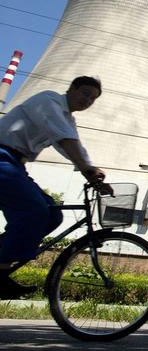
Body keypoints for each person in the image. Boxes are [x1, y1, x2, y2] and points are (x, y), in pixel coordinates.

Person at [0, 76, 105, 299]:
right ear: (71, 89)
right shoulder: (49, 101)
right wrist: (87, 169)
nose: (88, 100)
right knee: (34, 211)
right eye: (85, 93)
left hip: (16, 164)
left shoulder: (68, 120)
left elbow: (73, 146)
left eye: (93, 99)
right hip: (2, 157)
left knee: (52, 213)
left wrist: (93, 172)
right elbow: (65, 138)